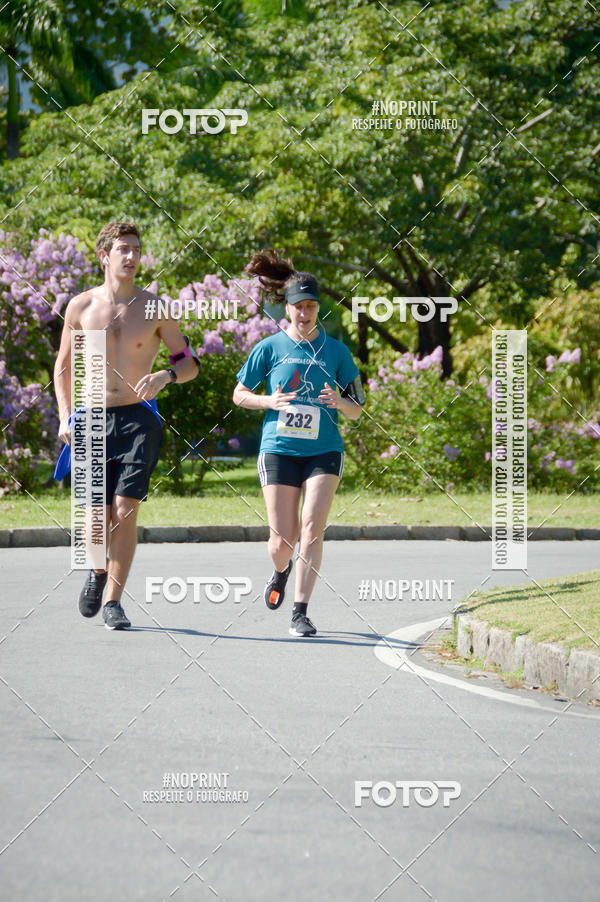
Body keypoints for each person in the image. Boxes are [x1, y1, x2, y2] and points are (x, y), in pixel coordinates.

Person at [53, 222, 198, 630]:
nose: (132, 257)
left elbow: (188, 362)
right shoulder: (81, 307)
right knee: (95, 518)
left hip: (138, 419)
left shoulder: (155, 309)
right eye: (123, 249)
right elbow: (62, 368)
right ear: (105, 256)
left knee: (125, 511)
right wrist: (65, 415)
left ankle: (114, 601)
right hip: (92, 418)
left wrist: (164, 377)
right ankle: (97, 570)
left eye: (136, 249)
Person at [233, 249, 365, 637]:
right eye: (298, 307)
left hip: (324, 450)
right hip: (278, 449)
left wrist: (340, 402)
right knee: (282, 540)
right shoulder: (270, 348)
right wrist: (267, 401)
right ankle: (280, 570)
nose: (304, 313)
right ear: (286, 309)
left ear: (317, 307)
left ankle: (300, 611)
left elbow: (357, 408)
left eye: (311, 306)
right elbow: (239, 393)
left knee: (312, 528)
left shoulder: (337, 352)